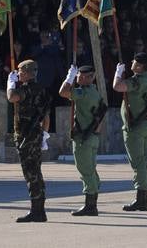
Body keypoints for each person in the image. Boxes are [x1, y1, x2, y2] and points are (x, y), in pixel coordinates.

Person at [6, 58, 49, 223]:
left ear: (28, 73)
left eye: (20, 71)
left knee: (31, 173)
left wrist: (10, 84)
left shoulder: (27, 89)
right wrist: (44, 134)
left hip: (26, 136)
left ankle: (37, 211)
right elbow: (45, 115)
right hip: (35, 134)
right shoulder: (41, 90)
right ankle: (39, 210)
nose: (17, 74)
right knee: (36, 172)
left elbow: (12, 97)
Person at [113, 51, 147, 212]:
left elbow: (118, 87)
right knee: (145, 161)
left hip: (135, 128)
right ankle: (144, 196)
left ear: (139, 66)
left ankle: (140, 199)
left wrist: (118, 74)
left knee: (138, 163)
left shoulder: (136, 80)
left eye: (134, 61)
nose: (131, 62)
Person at [59, 63, 104, 216]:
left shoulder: (82, 92)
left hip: (83, 137)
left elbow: (63, 92)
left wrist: (69, 77)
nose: (78, 77)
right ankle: (93, 200)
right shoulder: (95, 92)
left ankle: (90, 206)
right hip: (91, 137)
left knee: (85, 170)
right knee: (90, 168)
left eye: (79, 75)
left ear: (86, 78)